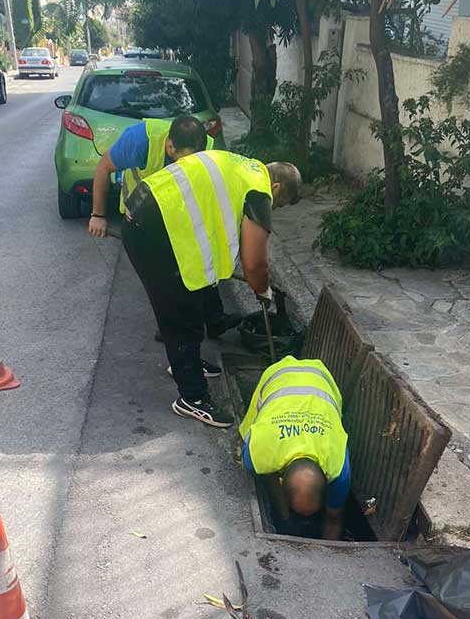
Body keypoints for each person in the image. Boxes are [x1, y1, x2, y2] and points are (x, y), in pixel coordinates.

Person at [122, 150, 302, 428]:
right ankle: (192, 397)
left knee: (192, 301)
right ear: (276, 187)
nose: (274, 209)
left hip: (151, 213)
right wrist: (263, 290)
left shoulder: (246, 168)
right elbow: (254, 264)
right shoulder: (259, 191)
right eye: (279, 204)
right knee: (180, 315)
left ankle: (187, 363)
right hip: (150, 231)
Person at [87, 115, 242, 345]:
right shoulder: (140, 140)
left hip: (177, 213)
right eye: (181, 160)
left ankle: (215, 318)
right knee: (162, 279)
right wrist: (98, 215)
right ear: (170, 146)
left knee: (201, 262)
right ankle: (171, 330)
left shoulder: (207, 146)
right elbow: (103, 168)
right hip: (141, 219)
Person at [239, 356, 351, 539]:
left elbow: (334, 518)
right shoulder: (257, 454)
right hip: (276, 375)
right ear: (281, 481)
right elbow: (268, 475)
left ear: (328, 481)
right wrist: (285, 520)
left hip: (321, 378)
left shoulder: (339, 471)